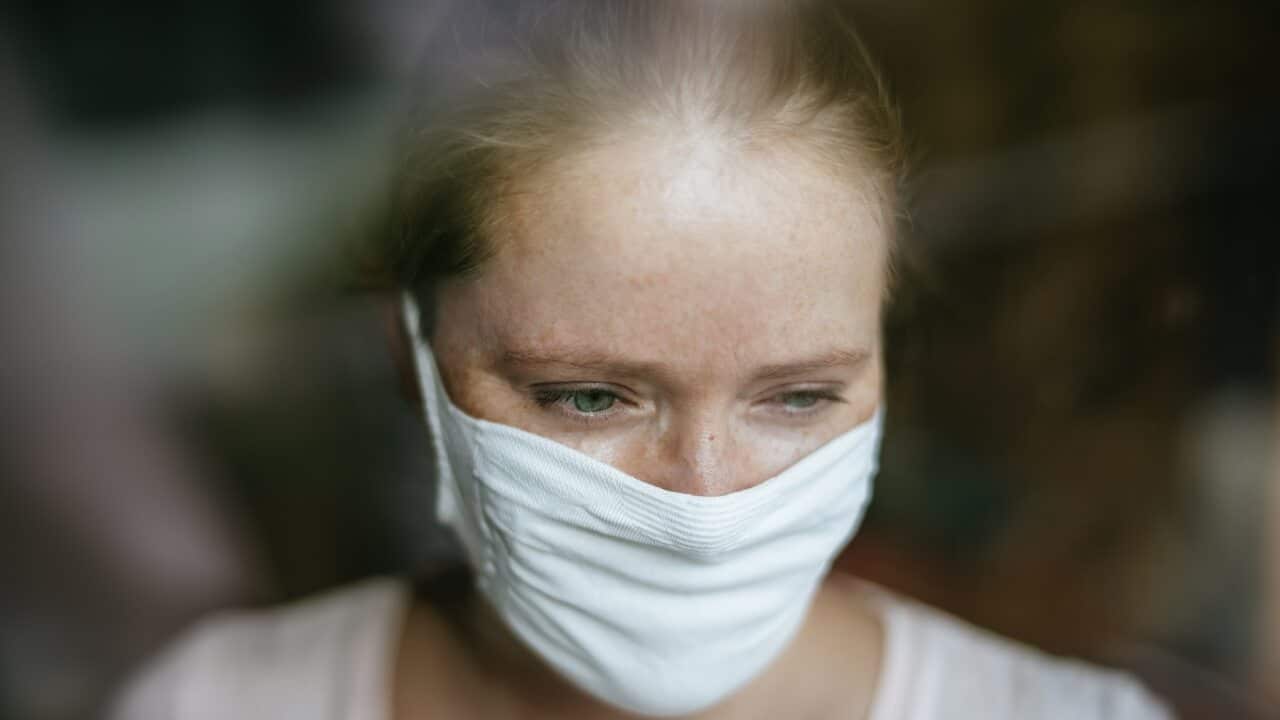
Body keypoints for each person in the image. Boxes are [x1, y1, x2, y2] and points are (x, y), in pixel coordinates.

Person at [111, 2, 1173, 718]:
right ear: (414, 354)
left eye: (798, 397)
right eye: (585, 396)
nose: (703, 495)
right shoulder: (219, 702)